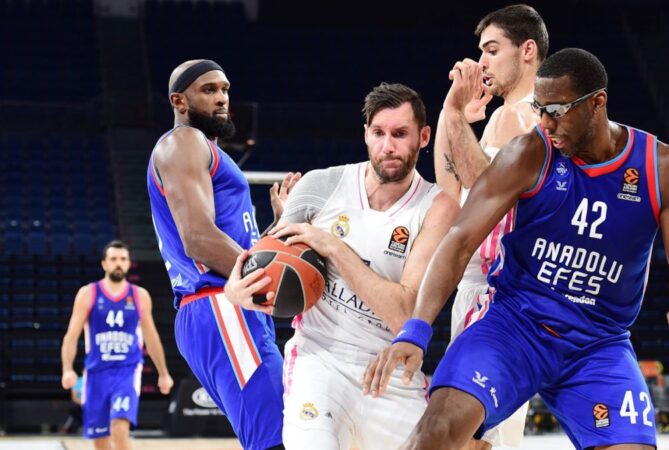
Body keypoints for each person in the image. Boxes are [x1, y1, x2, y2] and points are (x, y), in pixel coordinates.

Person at [363, 48, 669, 450]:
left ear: (597, 103)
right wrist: (417, 330)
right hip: (515, 327)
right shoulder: (529, 152)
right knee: (437, 432)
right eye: (540, 109)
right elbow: (459, 241)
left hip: (598, 343)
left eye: (557, 111)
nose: (546, 123)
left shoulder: (663, 167)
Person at [225, 82, 459, 450]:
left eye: (400, 134)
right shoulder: (321, 185)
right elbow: (261, 266)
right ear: (366, 134)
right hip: (320, 360)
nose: (388, 146)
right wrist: (236, 290)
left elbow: (405, 314)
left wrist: (333, 246)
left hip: (392, 369)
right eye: (378, 133)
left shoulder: (437, 207)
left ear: (424, 136)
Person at [146, 59, 292, 450]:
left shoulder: (205, 149)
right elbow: (198, 239)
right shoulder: (183, 142)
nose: (222, 98)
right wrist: (271, 281)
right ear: (179, 101)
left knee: (274, 434)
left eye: (225, 89)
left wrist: (275, 229)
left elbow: (229, 244)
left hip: (229, 302)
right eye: (209, 90)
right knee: (277, 438)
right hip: (220, 303)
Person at [433, 5, 548, 447]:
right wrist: (453, 116)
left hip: (492, 291)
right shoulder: (536, 116)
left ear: (527, 50)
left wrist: (454, 114)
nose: (482, 62)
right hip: (515, 293)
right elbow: (452, 191)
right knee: (486, 435)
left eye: (493, 50)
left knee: (464, 432)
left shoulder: (512, 116)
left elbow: (481, 192)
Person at [61, 240, 173, 450]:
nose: (118, 263)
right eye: (113, 259)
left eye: (123, 259)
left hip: (126, 371)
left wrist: (163, 373)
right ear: (104, 264)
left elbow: (151, 337)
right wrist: (67, 369)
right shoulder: (88, 293)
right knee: (101, 441)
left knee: (119, 427)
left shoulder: (140, 295)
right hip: (96, 373)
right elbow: (71, 336)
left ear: (129, 263)